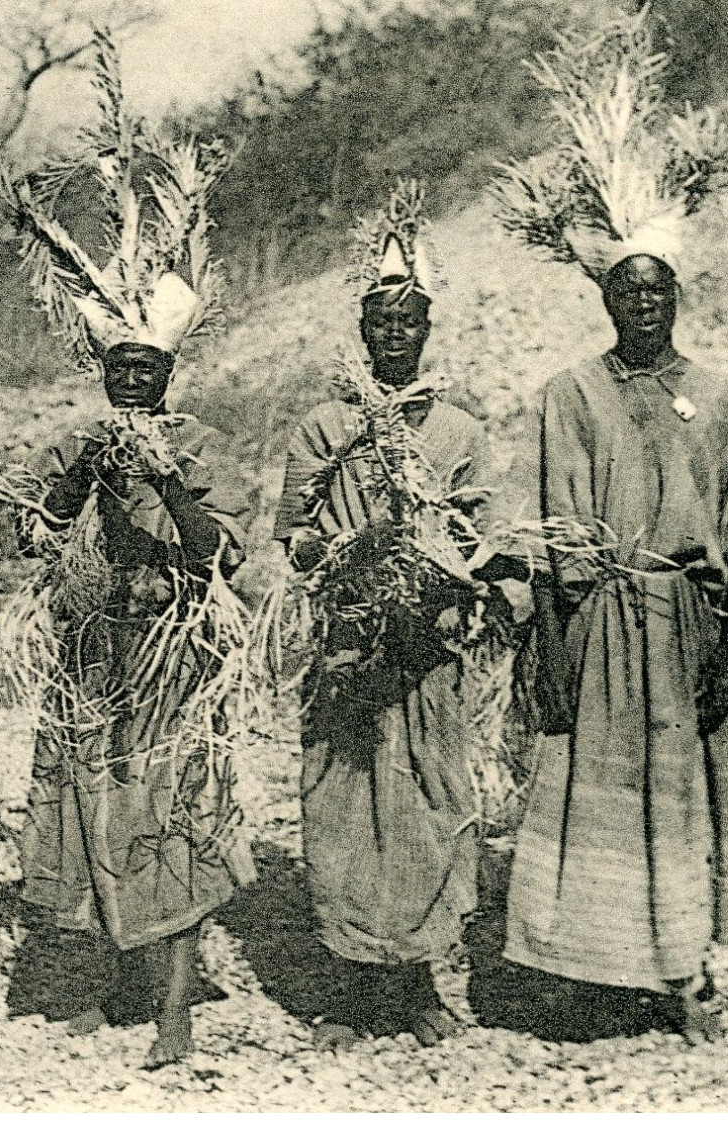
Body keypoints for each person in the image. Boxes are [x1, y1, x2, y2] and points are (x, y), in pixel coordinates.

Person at [492, 15, 728, 1041]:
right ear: (607, 298)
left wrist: (727, 654)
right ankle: (583, 977)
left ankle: (685, 981)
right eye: (627, 290)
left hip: (687, 629)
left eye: (658, 290)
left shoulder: (723, 398)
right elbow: (541, 537)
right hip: (596, 624)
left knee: (686, 799)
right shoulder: (566, 395)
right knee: (585, 793)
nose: (644, 305)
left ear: (678, 296)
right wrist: (548, 645)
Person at [0, 36, 255, 1068]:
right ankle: (120, 974)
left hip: (170, 659)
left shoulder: (192, 444)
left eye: (149, 371)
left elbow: (220, 556)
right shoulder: (80, 437)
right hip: (93, 654)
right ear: (106, 376)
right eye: (122, 373)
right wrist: (88, 472)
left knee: (172, 819)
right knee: (101, 817)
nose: (135, 386)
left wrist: (161, 476)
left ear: (167, 374)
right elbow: (37, 536)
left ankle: (178, 1006)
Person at [273, 183, 491, 1049]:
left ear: (427, 329)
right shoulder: (324, 428)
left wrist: (443, 575)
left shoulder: (462, 431)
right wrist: (341, 563)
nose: (395, 333)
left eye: (409, 320)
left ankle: (419, 983)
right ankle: (348, 988)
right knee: (342, 805)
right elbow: (290, 537)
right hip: (348, 652)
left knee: (429, 801)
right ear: (362, 328)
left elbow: (478, 540)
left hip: (425, 653)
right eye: (381, 320)